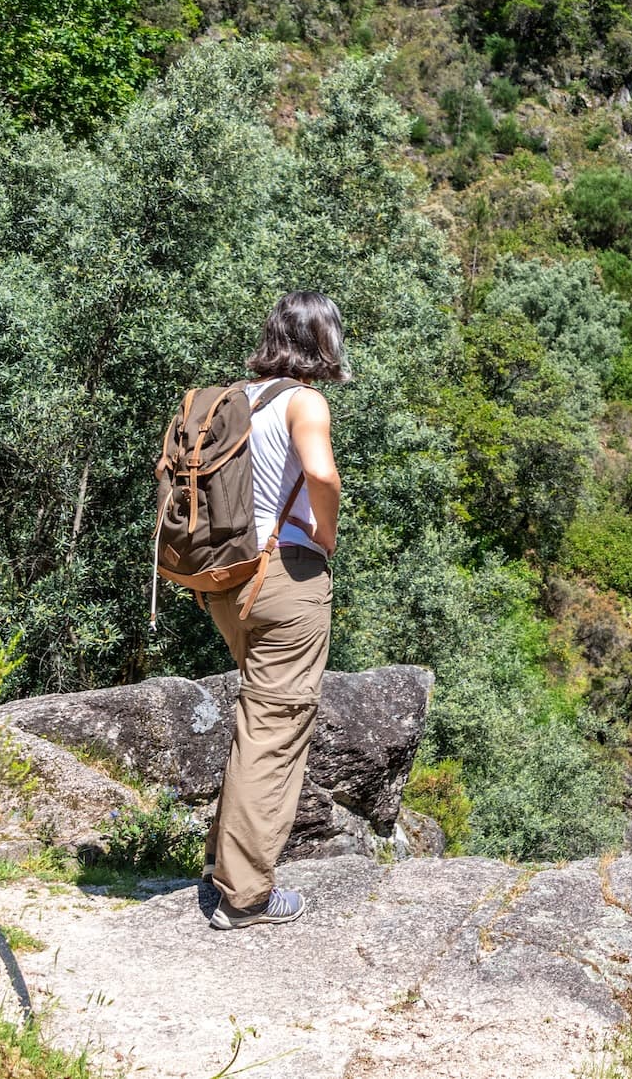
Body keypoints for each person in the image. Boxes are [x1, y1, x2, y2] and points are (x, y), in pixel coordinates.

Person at [203, 291, 346, 930]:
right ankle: (246, 897)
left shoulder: (236, 400)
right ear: (323, 341)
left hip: (225, 580)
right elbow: (324, 477)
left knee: (256, 716)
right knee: (276, 725)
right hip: (284, 578)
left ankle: (223, 864)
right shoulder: (303, 401)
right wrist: (326, 535)